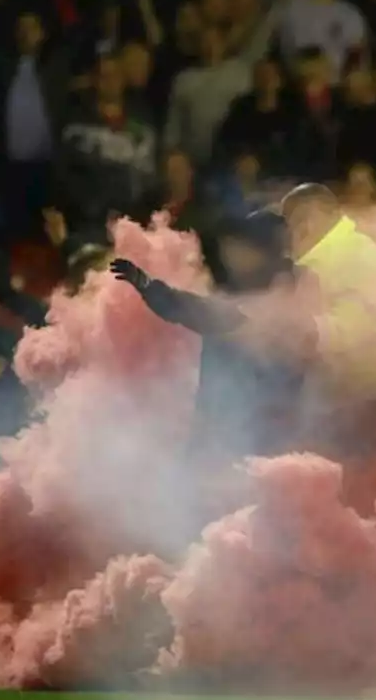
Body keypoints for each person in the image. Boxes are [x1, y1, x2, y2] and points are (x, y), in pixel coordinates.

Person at [110, 209, 303, 528]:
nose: (233, 254)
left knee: (230, 519)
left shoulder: (273, 296)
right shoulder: (268, 285)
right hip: (242, 429)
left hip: (246, 435)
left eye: (243, 246)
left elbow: (199, 311)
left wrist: (148, 286)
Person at [275, 183, 376, 464]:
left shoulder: (352, 255)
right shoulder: (333, 255)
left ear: (324, 214)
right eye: (292, 223)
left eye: (302, 219)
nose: (297, 231)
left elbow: (359, 325)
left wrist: (310, 330)